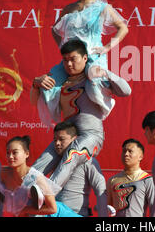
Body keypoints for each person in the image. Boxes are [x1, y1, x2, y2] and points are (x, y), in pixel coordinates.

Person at [30, 39, 131, 190]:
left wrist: (106, 73)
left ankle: (47, 192)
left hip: (91, 135)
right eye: (65, 60)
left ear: (84, 58)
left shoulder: (95, 78)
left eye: (73, 59)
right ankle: (22, 196)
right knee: (42, 162)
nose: (69, 64)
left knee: (72, 154)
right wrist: (36, 84)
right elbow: (34, 102)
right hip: (67, 136)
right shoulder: (58, 82)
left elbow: (126, 91)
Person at [43, 0, 129, 122]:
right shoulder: (68, 9)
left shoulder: (102, 7)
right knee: (50, 83)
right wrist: (63, 48)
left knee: (94, 84)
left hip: (93, 57)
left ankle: (97, 116)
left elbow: (123, 28)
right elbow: (54, 30)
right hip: (71, 58)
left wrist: (107, 47)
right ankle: (60, 121)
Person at [46, 121, 107, 217]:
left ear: (75, 140)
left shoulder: (88, 161)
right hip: (54, 212)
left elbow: (100, 189)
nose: (57, 143)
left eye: (61, 139)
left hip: (76, 214)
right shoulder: (54, 160)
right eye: (55, 140)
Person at [0, 136, 62, 217]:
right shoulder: (2, 172)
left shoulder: (36, 178)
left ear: (26, 154)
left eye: (15, 152)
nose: (10, 156)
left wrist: (23, 210)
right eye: (8, 152)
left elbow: (52, 209)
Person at [107, 138, 154, 217]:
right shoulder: (113, 180)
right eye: (124, 151)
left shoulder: (148, 180)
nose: (126, 154)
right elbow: (106, 207)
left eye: (130, 151)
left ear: (140, 156)